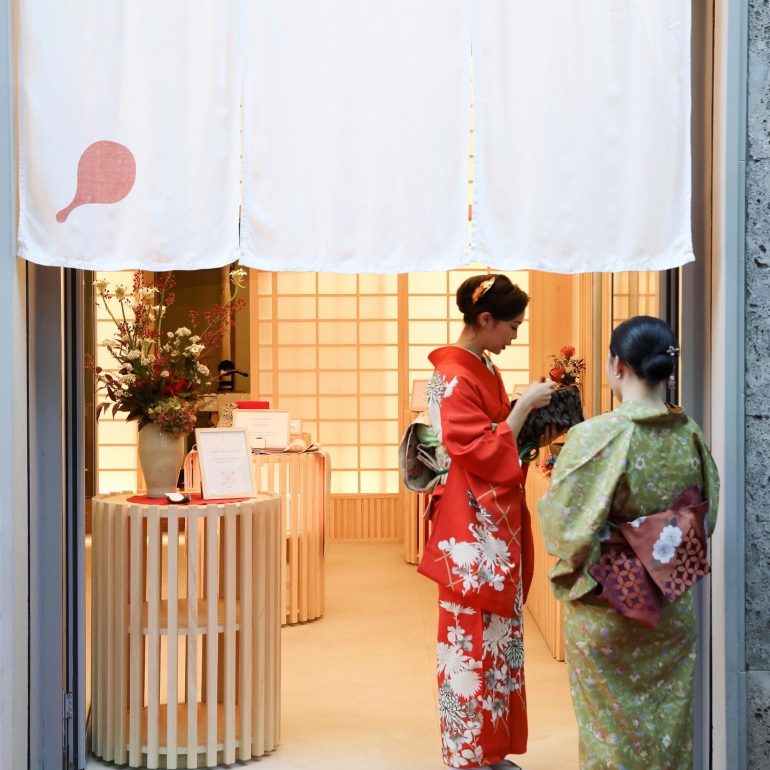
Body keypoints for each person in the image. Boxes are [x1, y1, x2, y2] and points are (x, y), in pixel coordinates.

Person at [537, 315, 720, 770]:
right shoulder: (690, 434)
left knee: (611, 739)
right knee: (668, 732)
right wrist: (652, 543)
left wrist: (615, 542)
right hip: (669, 609)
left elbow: (562, 528)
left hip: (609, 608)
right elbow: (708, 516)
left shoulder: (599, 435)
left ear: (617, 366)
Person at [417, 274, 558, 770]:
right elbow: (476, 448)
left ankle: (491, 750)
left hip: (492, 519)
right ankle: (468, 756)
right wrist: (522, 408)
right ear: (484, 319)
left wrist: (534, 425)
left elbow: (500, 439)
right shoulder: (452, 375)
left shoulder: (482, 366)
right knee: (468, 644)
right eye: (511, 326)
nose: (514, 336)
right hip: (469, 524)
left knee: (498, 643)